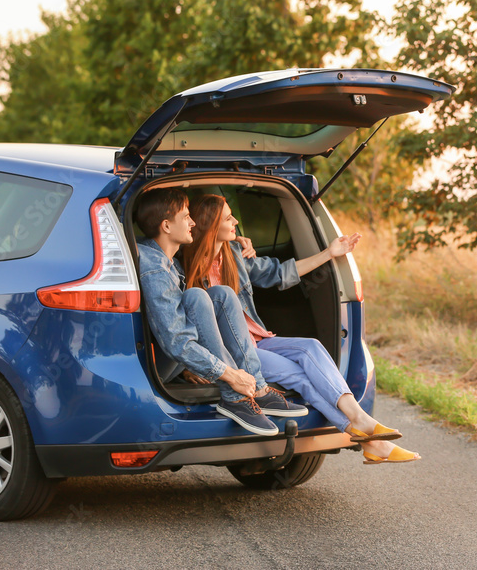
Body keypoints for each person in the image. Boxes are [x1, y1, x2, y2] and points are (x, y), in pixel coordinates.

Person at [179, 193, 420, 465]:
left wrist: (330, 253)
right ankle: (369, 437)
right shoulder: (181, 266)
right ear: (209, 225)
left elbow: (281, 273)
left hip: (258, 339)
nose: (235, 221)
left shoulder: (235, 254)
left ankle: (361, 421)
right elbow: (179, 328)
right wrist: (189, 366)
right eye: (227, 217)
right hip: (236, 354)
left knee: (312, 347)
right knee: (300, 377)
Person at [134, 187, 308, 437]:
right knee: (196, 295)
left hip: (181, 354)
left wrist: (233, 239)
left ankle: (258, 388)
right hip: (162, 363)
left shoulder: (166, 258)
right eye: (186, 216)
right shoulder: (155, 269)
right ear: (166, 226)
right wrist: (231, 376)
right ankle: (235, 398)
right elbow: (177, 344)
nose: (192, 222)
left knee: (221, 293)